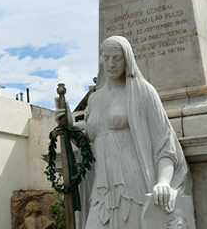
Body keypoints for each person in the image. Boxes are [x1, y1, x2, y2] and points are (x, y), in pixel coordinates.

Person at [79, 36, 190, 228]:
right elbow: (89, 145)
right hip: (102, 188)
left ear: (127, 60)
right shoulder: (94, 100)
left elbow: (165, 144)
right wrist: (67, 126)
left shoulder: (142, 92)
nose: (111, 64)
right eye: (106, 58)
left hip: (133, 184)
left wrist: (163, 182)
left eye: (117, 58)